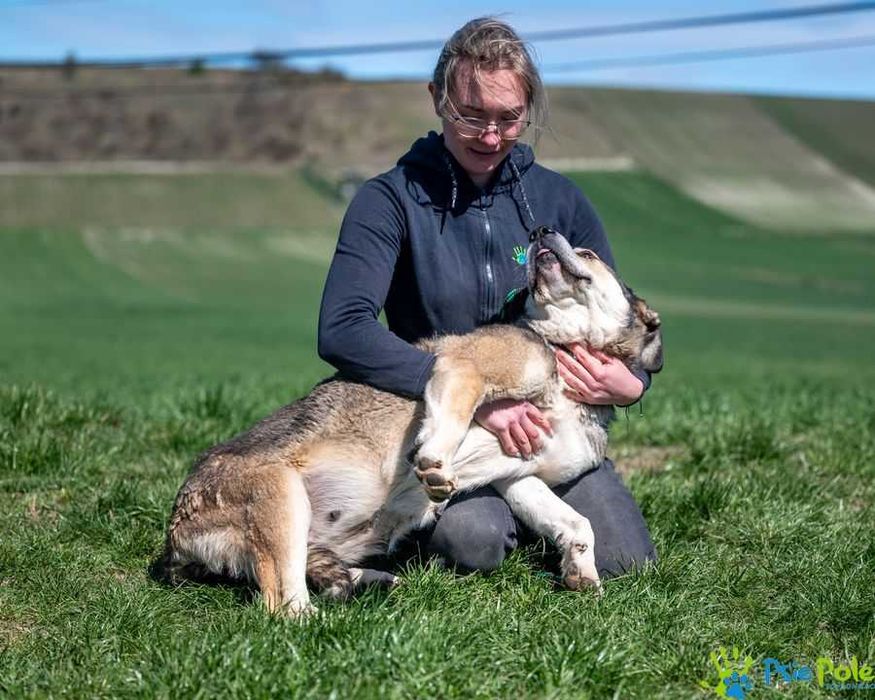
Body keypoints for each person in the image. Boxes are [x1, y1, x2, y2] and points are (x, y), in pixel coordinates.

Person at [318, 17, 656, 580]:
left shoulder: (561, 200)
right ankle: (470, 519)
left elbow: (615, 318)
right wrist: (473, 397)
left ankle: (524, 513)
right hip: (444, 423)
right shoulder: (388, 201)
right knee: (472, 543)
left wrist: (632, 385)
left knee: (626, 562)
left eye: (509, 118)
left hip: (558, 425)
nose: (492, 137)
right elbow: (343, 328)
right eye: (472, 115)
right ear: (437, 98)